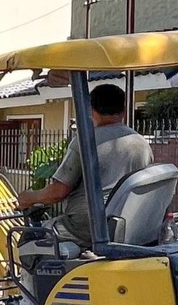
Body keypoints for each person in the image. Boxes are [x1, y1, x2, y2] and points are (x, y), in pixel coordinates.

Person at [15, 83, 153, 249]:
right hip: (128, 224)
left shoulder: (85, 141)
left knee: (29, 239)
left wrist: (28, 197)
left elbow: (57, 192)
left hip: (85, 228)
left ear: (91, 110)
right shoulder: (142, 143)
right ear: (123, 111)